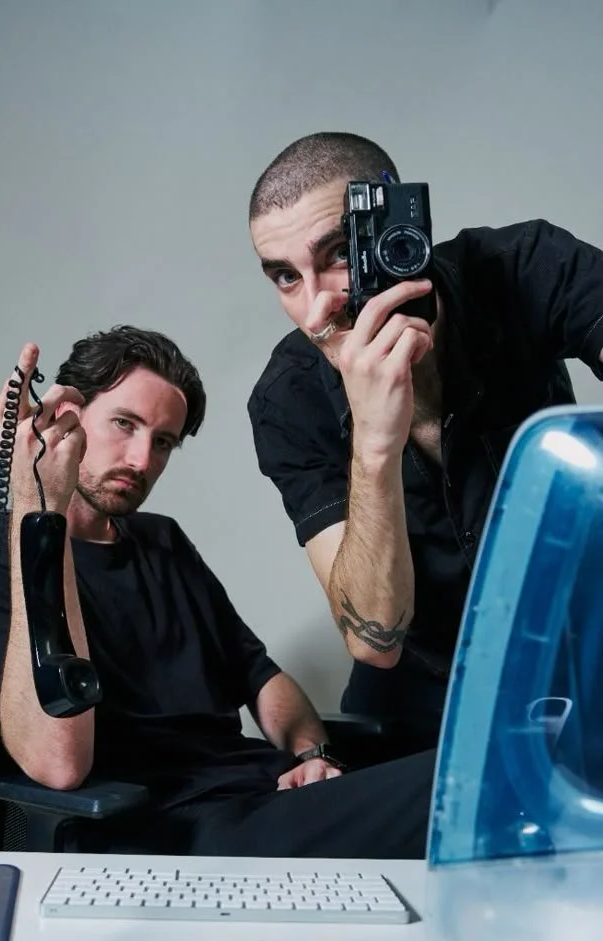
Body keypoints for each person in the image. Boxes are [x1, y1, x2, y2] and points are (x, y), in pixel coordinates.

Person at [0, 324, 435, 858]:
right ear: (68, 416)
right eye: (124, 424)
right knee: (471, 782)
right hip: (170, 827)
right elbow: (58, 765)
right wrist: (42, 511)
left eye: (162, 442)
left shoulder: (163, 541)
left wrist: (312, 756)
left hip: (261, 796)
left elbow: (261, 676)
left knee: (459, 774)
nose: (141, 460)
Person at [247, 131, 603, 751]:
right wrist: (376, 445)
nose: (314, 312)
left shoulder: (519, 269)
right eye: (284, 276)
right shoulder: (288, 400)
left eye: (336, 255)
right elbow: (373, 639)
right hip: (423, 719)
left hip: (576, 670)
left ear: (393, 222)